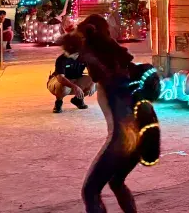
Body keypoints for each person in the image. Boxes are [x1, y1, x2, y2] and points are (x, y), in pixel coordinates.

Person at [65, 15, 159, 213]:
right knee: (116, 182)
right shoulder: (125, 68)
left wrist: (84, 42)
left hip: (122, 142)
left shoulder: (108, 73)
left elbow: (81, 50)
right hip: (139, 141)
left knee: (90, 191)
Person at [47, 41, 95, 113]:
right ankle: (58, 102)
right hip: (60, 81)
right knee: (63, 88)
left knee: (95, 83)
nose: (66, 52)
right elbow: (60, 78)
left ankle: (78, 100)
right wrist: (74, 87)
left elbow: (94, 72)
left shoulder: (84, 57)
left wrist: (93, 84)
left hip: (76, 79)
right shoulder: (61, 59)